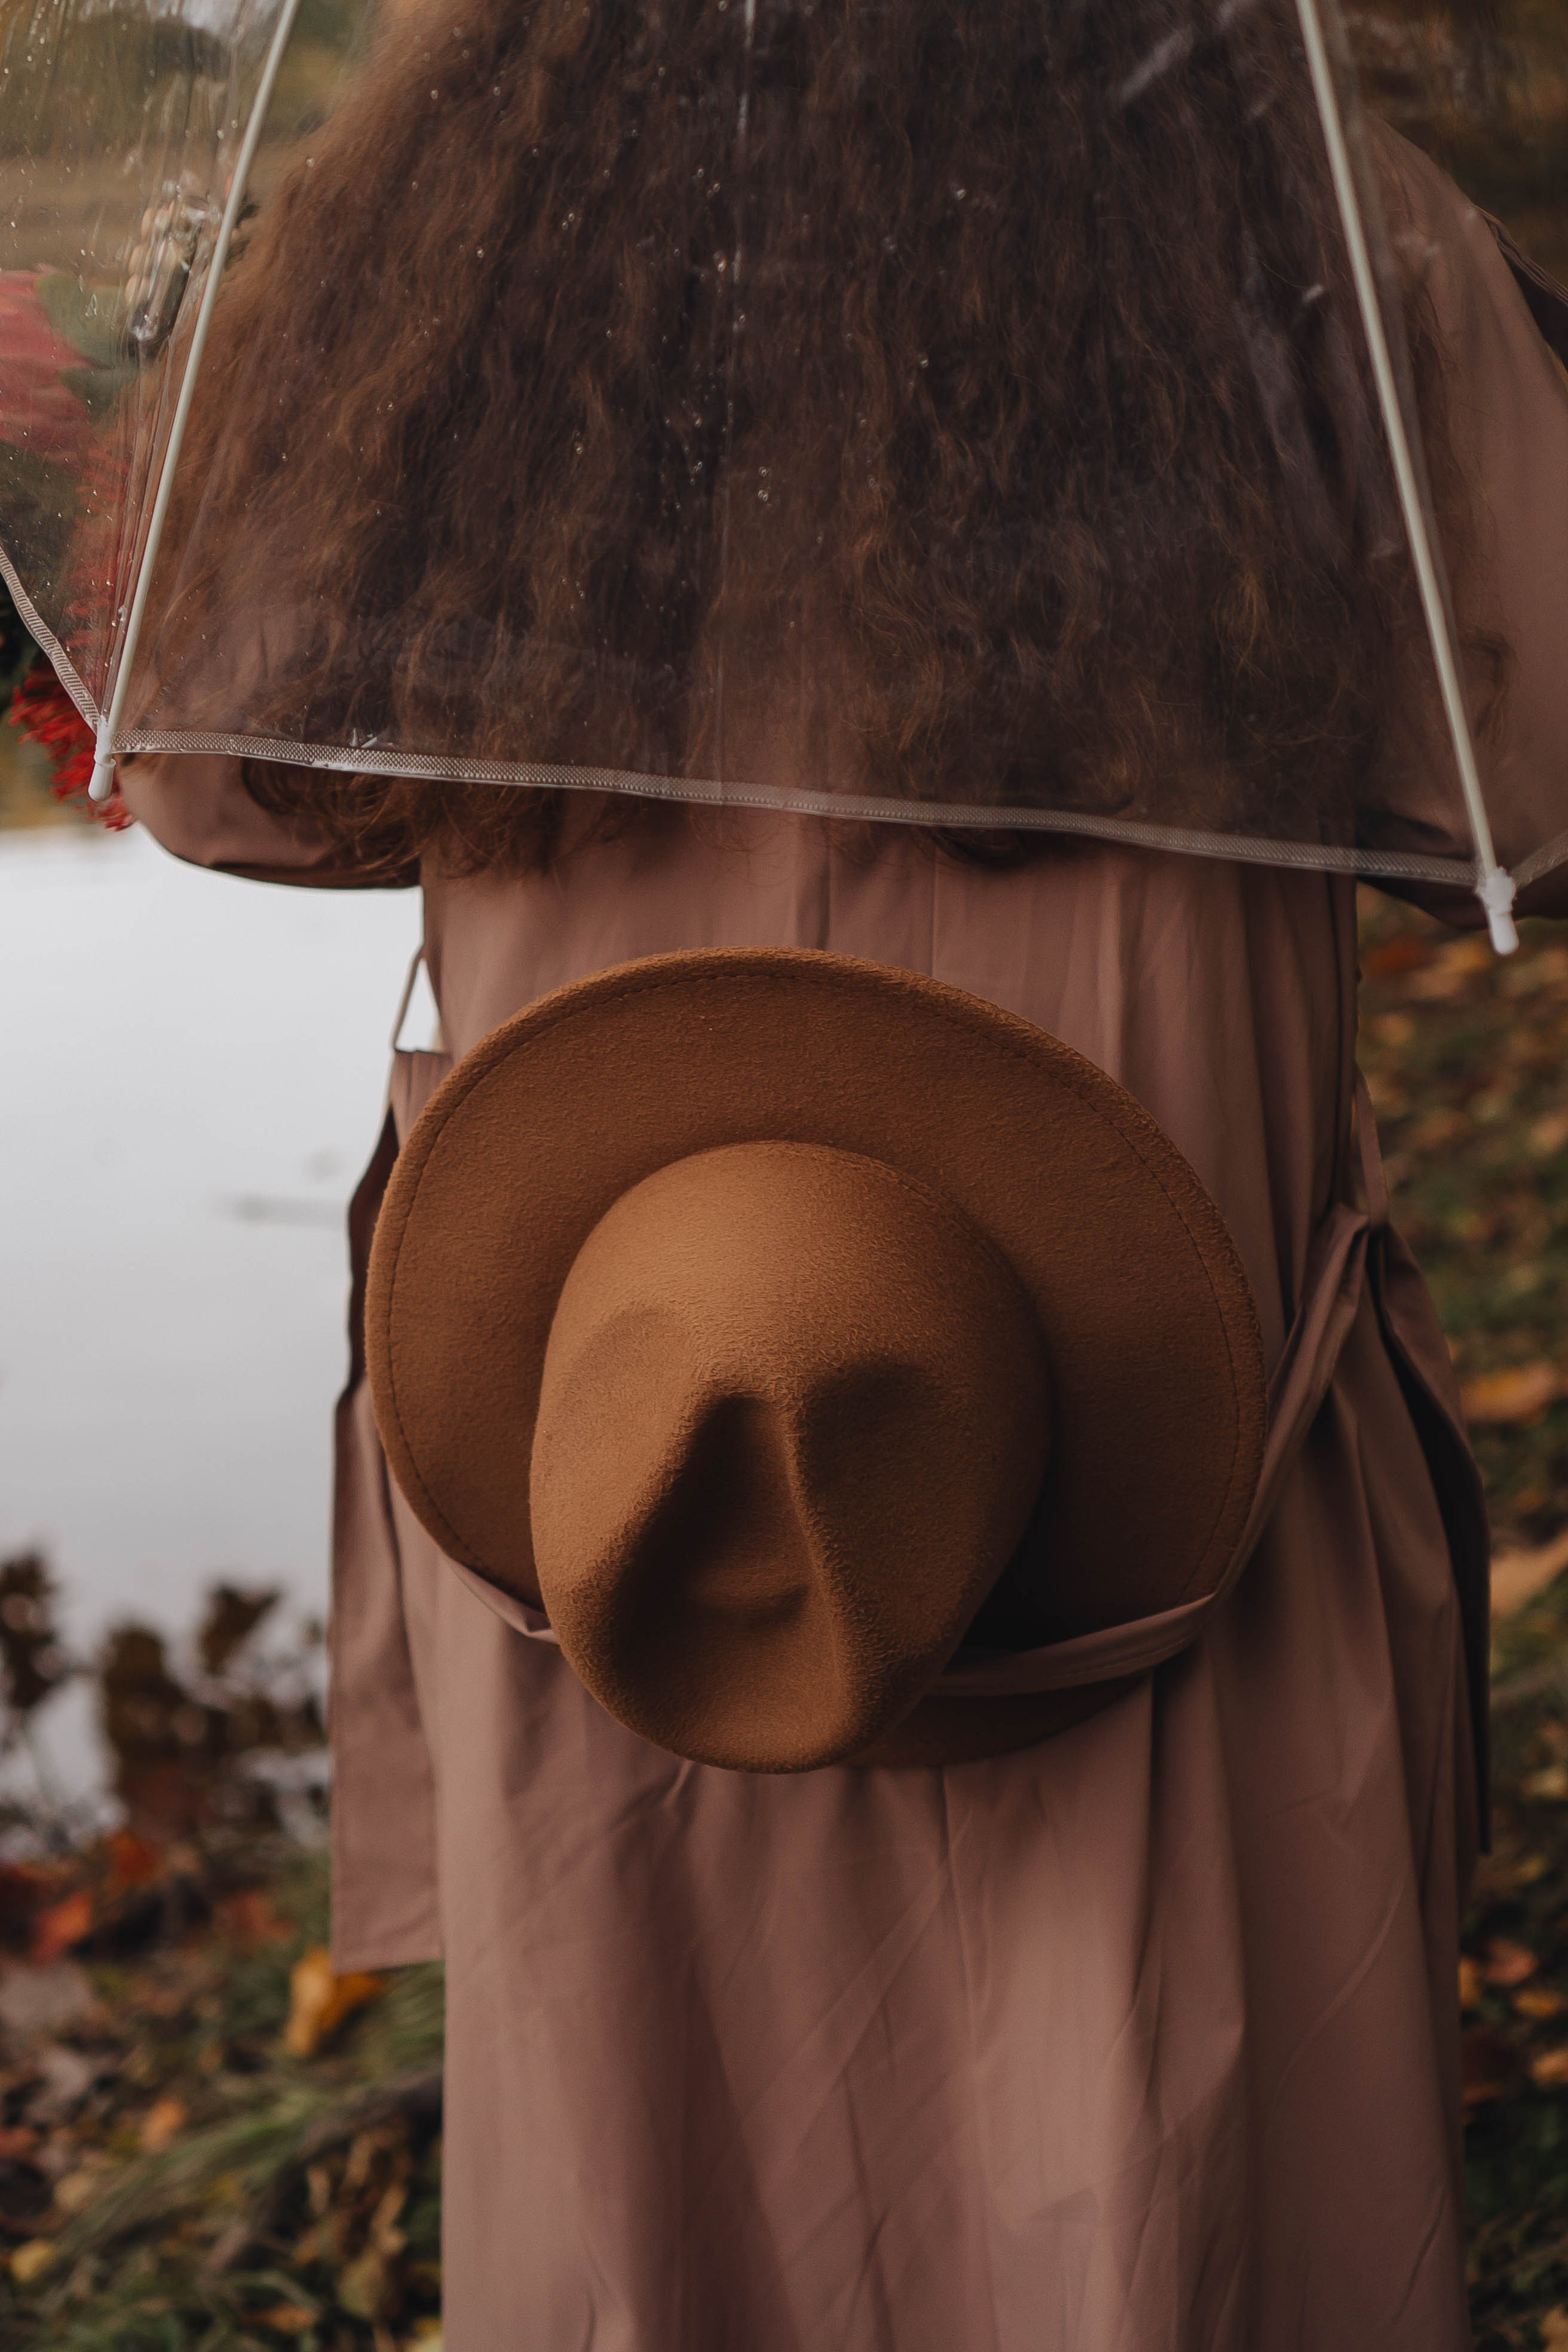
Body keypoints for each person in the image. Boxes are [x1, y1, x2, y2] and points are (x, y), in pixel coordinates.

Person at [111, 1, 1568, 2342]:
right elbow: (1532, 780)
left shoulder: (457, 219)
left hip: (641, 1449)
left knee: (664, 2168)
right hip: (1163, 1434)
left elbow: (225, 775)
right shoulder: (1299, 212)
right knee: (1166, 2166)